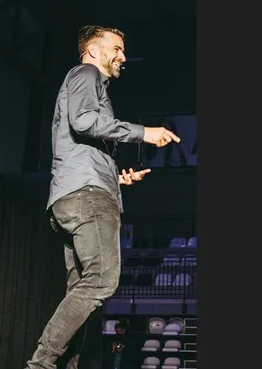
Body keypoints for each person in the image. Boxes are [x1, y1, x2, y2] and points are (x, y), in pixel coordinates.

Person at [25, 25, 180, 368]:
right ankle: (40, 364)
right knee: (101, 281)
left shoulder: (87, 84)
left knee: (82, 294)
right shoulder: (86, 73)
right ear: (94, 51)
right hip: (87, 198)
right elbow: (83, 121)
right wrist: (144, 133)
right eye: (116, 48)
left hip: (75, 196)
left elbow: (81, 146)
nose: (123, 56)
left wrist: (118, 179)